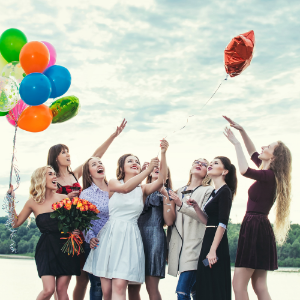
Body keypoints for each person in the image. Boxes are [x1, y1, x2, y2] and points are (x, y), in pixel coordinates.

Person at [47, 119, 126, 300]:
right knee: (67, 279)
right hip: (64, 231)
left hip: (82, 228)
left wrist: (113, 135)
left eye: (68, 151)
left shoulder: (75, 174)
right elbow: (50, 204)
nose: (68, 155)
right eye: (63, 152)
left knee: (84, 278)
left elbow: (95, 155)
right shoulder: (51, 179)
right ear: (55, 157)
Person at [84, 139, 169, 300]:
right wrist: (147, 170)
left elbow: (161, 180)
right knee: (107, 291)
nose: (134, 162)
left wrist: (163, 153)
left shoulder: (143, 189)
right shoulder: (114, 183)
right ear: (121, 167)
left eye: (137, 161)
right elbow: (126, 188)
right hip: (110, 236)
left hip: (130, 237)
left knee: (120, 286)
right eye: (130, 161)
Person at [223, 116, 292, 300]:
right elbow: (252, 151)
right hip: (260, 228)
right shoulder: (268, 174)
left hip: (254, 227)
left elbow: (244, 170)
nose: (263, 148)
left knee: (239, 286)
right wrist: (242, 131)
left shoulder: (269, 176)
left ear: (275, 157)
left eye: (268, 147)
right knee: (259, 286)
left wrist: (236, 143)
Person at [8, 166, 81, 300]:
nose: (55, 177)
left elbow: (73, 222)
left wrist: (75, 229)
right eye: (50, 174)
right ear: (41, 179)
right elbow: (15, 223)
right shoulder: (32, 202)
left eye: (54, 174)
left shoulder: (64, 198)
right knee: (48, 290)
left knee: (61, 291)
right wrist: (11, 201)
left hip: (65, 247)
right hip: (46, 249)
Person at [187, 156, 237, 300]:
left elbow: (222, 223)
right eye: (211, 163)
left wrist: (213, 250)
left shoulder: (225, 191)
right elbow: (207, 221)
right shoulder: (215, 192)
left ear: (225, 171)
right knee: (204, 284)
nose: (210, 165)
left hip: (216, 244)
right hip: (208, 239)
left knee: (214, 285)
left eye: (216, 163)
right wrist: (196, 207)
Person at [167, 158, 214, 300]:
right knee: (196, 293)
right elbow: (172, 222)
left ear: (208, 173)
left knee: (182, 292)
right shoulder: (179, 191)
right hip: (179, 250)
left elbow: (205, 218)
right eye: (197, 162)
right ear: (191, 168)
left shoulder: (209, 191)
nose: (200, 164)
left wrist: (181, 204)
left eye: (205, 164)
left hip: (196, 248)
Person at [128, 167, 176, 300]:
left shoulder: (169, 193)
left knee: (152, 287)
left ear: (166, 175)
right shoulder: (138, 189)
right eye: (154, 167)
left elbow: (169, 221)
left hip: (155, 239)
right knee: (132, 287)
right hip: (135, 237)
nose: (157, 169)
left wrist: (165, 195)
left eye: (161, 168)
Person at [79, 157, 110, 300]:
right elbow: (83, 221)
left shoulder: (116, 188)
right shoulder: (86, 194)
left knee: (115, 284)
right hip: (95, 243)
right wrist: (90, 238)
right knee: (97, 285)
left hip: (115, 241)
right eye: (94, 164)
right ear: (89, 173)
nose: (99, 165)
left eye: (100, 163)